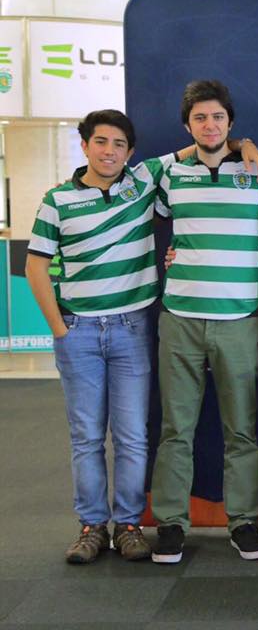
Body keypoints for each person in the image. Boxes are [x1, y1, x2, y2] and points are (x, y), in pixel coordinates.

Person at [25, 110, 176, 563]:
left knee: (132, 436)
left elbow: (202, 142)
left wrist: (245, 146)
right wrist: (59, 330)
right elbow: (35, 267)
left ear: (130, 152)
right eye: (101, 142)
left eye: (119, 144)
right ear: (85, 145)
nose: (109, 151)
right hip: (79, 332)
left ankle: (128, 525)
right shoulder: (57, 200)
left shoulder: (142, 182)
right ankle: (92, 526)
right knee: (87, 437)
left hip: (132, 328)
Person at [150, 80, 258, 564]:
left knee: (241, 429)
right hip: (179, 318)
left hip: (238, 320)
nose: (210, 125)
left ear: (230, 123)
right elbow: (155, 214)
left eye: (218, 117)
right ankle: (171, 525)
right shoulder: (170, 175)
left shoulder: (256, 173)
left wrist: (246, 146)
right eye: (199, 118)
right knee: (175, 429)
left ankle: (244, 521)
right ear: (187, 126)